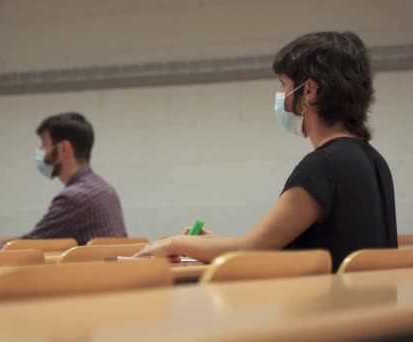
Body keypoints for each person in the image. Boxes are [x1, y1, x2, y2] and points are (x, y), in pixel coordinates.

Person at [134, 31, 398, 271]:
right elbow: (277, 246)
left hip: (326, 314)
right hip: (367, 315)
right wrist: (214, 245)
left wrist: (173, 244)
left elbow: (252, 249)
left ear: (309, 91)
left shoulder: (323, 166)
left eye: (284, 83)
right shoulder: (373, 160)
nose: (281, 93)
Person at [0, 112, 127, 249]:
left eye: (44, 144)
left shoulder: (74, 197)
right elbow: (41, 238)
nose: (40, 151)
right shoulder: (105, 190)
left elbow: (28, 248)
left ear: (64, 149)